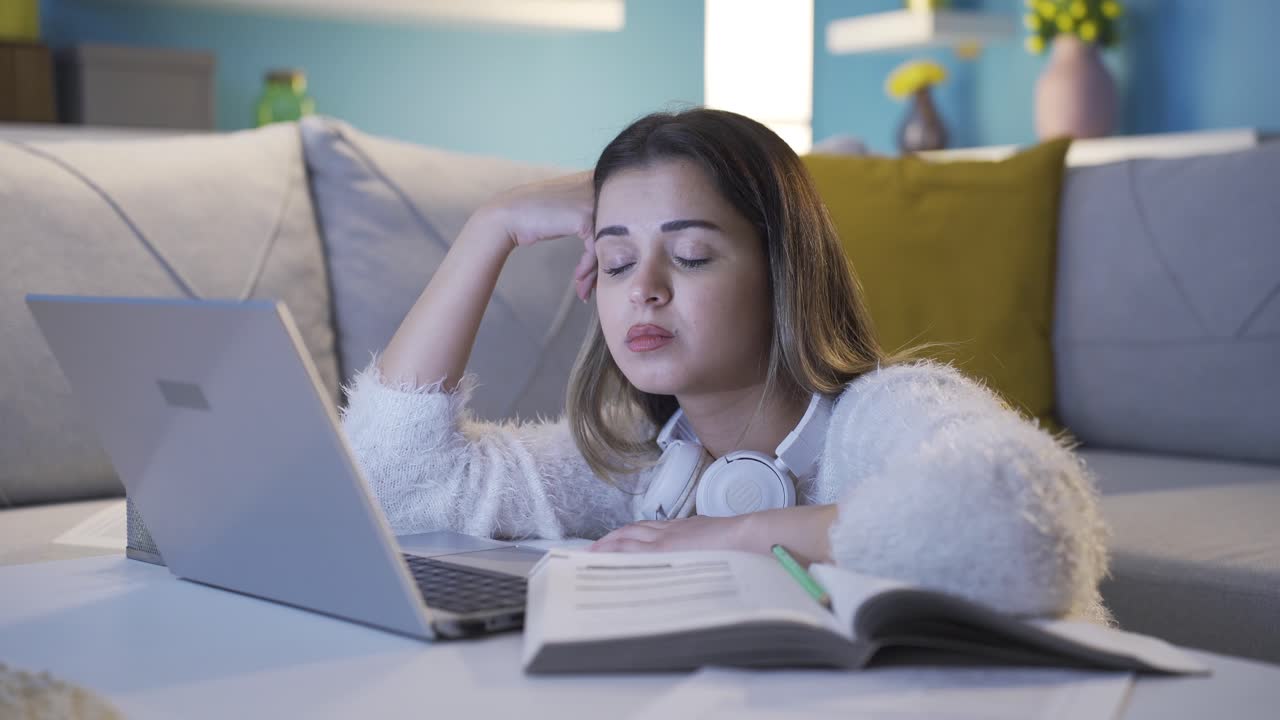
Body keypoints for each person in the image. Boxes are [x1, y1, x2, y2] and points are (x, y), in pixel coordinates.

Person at [340, 108, 1110, 622]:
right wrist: (492, 227)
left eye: (690, 254)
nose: (642, 288)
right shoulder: (641, 466)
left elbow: (1029, 524)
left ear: (783, 272)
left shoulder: (887, 411)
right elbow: (393, 484)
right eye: (615, 261)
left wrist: (742, 533)